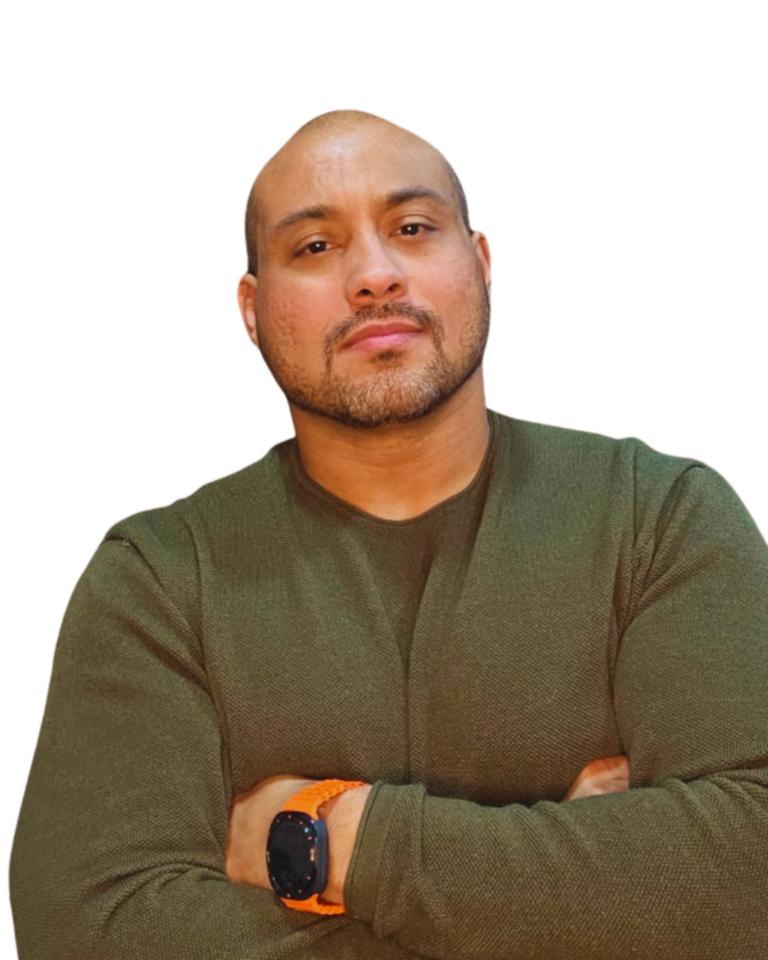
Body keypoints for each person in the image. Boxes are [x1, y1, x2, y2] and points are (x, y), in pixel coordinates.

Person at [8, 109, 767, 959]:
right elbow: (86, 929)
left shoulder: (663, 516)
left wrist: (331, 840)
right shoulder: (156, 579)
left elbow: (753, 872)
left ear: (482, 265)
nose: (374, 276)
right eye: (315, 246)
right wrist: (586, 896)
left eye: (411, 228)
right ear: (251, 311)